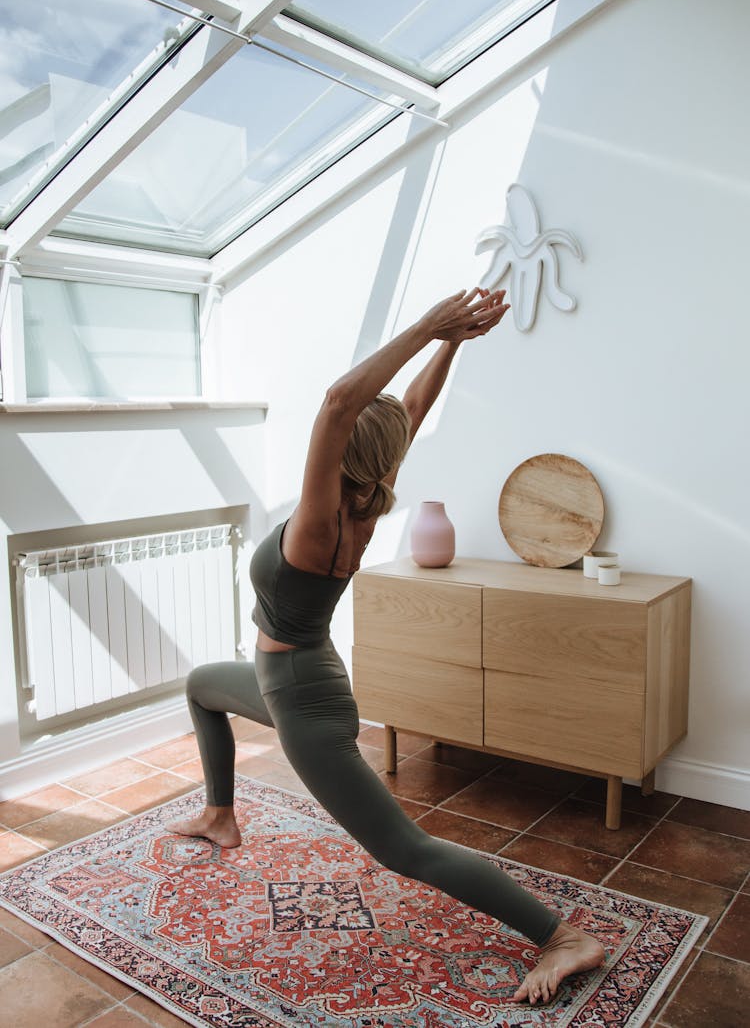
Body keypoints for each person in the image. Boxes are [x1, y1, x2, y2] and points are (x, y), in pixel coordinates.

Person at [172, 287, 605, 1006]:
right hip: (292, 676)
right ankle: (221, 815)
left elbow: (342, 400)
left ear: (346, 451)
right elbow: (406, 408)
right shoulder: (363, 500)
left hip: (303, 704)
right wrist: (453, 343)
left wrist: (429, 324)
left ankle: (561, 934)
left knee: (403, 849)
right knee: (199, 684)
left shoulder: (320, 522)